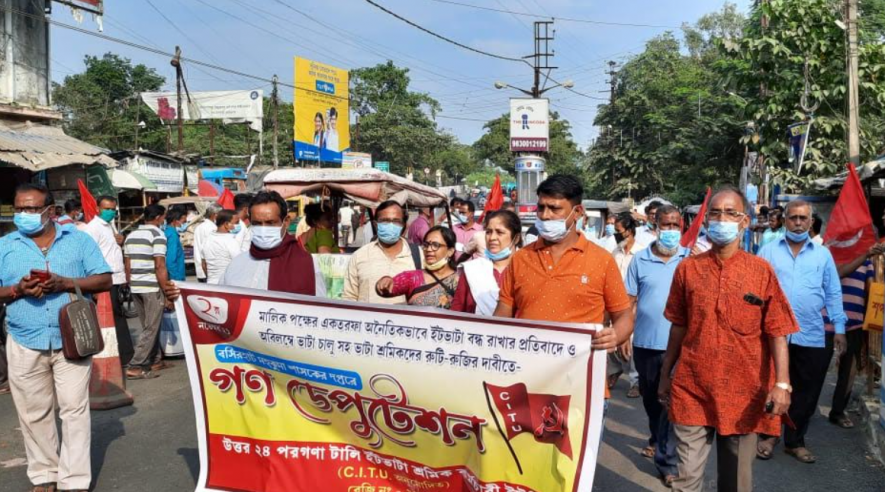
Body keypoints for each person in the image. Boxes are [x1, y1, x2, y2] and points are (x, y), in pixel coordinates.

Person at [659, 186, 798, 492]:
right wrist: (666, 371)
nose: (722, 219)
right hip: (692, 385)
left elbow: (777, 331)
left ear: (744, 222)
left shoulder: (761, 271)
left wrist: (782, 384)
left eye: (730, 213)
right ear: (706, 220)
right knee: (686, 479)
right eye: (715, 213)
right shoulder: (688, 269)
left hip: (744, 389)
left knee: (735, 481)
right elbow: (678, 326)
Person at [0, 183, 112, 492]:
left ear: (50, 212)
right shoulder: (5, 246)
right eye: (20, 209)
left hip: (72, 339)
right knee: (33, 413)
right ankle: (45, 475)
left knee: (74, 410)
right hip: (24, 338)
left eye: (33, 209)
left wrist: (65, 283)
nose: (25, 215)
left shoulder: (79, 240)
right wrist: (17, 290)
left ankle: (73, 481)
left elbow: (104, 278)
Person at [493, 174, 634, 400]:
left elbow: (624, 314)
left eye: (554, 208)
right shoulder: (521, 259)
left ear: (577, 212)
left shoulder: (601, 260)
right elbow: (502, 314)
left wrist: (615, 336)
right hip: (527, 383)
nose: (545, 215)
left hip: (582, 386)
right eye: (541, 207)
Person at [756, 200, 847, 464]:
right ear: (785, 220)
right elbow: (757, 290)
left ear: (811, 222)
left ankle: (794, 441)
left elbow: (832, 292)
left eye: (802, 218)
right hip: (774, 334)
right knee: (773, 384)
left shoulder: (823, 255)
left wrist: (839, 328)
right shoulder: (768, 251)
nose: (797, 222)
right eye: (793, 217)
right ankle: (769, 435)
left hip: (811, 333)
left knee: (807, 391)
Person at [624, 204, 688, 487]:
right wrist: (624, 335)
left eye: (676, 225)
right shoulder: (640, 260)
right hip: (645, 344)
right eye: (666, 225)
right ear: (655, 226)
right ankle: (656, 436)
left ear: (682, 228)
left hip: (681, 346)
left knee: (668, 404)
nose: (671, 230)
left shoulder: (691, 259)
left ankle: (667, 461)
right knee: (652, 401)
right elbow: (629, 302)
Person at [824, 242, 884, 430]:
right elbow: (840, 273)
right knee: (816, 370)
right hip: (827, 320)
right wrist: (865, 255)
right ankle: (801, 411)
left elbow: (870, 289)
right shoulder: (829, 253)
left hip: (855, 322)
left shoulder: (867, 262)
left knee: (849, 370)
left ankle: (838, 411)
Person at [84, 195, 135, 366]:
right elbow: (90, 256)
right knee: (111, 320)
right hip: (105, 280)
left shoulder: (111, 226)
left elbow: (111, 251)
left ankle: (125, 355)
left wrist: (121, 241)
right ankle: (120, 356)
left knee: (119, 317)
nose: (110, 212)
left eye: (113, 209)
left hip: (117, 279)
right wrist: (96, 286)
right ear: (98, 208)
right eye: (107, 208)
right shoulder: (93, 228)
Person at [124, 204, 172, 380]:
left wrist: (131, 284)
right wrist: (166, 290)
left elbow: (127, 265)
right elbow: (160, 265)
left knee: (149, 326)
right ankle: (135, 365)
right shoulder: (157, 235)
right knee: (151, 327)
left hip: (136, 286)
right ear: (159, 217)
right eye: (164, 216)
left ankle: (155, 359)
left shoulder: (131, 235)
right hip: (151, 287)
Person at [343, 200, 422, 305]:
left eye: (396, 221)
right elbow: (349, 297)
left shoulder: (418, 255)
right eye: (385, 221)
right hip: (368, 320)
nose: (390, 225)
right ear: (376, 224)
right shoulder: (359, 256)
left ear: (403, 225)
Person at [452, 210, 521, 315]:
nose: (492, 238)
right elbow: (457, 310)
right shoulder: (473, 270)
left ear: (516, 238)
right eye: (488, 232)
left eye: (500, 232)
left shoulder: (526, 270)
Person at [376, 226, 459, 308]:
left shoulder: (461, 279)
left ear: (450, 251)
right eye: (426, 245)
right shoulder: (412, 277)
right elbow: (385, 291)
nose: (429, 249)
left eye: (435, 245)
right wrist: (384, 282)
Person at [610, 212, 643, 398]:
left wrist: (634, 307)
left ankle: (635, 381)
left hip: (634, 302)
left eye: (618, 231)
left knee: (629, 342)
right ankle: (615, 370)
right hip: (615, 302)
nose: (616, 234)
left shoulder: (640, 252)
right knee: (611, 338)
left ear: (629, 231)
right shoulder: (616, 251)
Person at [202, 210, 243, 285]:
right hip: (226, 285)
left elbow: (204, 264)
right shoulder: (230, 241)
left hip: (211, 284)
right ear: (226, 224)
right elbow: (239, 265)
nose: (238, 225)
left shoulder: (207, 239)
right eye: (236, 223)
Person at [193, 203, 222, 283]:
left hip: (201, 269)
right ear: (215, 215)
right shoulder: (212, 228)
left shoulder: (199, 227)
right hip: (209, 271)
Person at [163, 208, 187, 282]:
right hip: (176, 277)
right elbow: (170, 260)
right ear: (175, 220)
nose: (185, 222)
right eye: (183, 220)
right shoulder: (172, 235)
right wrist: (177, 279)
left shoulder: (167, 232)